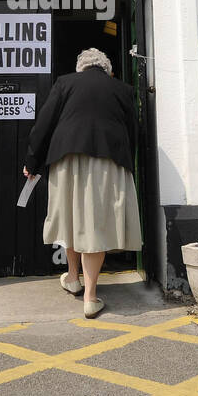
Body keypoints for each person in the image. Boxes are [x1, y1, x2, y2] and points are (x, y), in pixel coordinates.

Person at [23, 48, 141, 318]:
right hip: (108, 160)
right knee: (95, 224)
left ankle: (80, 285)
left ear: (81, 67)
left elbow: (44, 124)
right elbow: (133, 129)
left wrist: (32, 162)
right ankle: (84, 290)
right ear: (106, 68)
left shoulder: (65, 83)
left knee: (72, 219)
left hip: (66, 159)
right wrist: (129, 162)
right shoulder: (121, 89)